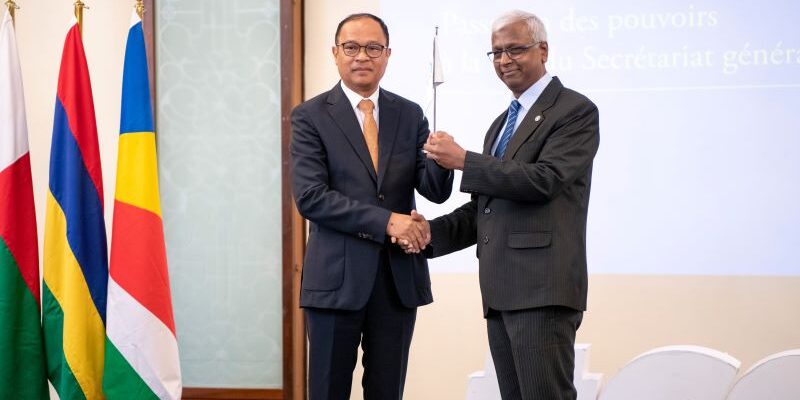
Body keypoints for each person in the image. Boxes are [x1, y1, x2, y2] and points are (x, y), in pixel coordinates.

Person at [419, 9, 600, 400]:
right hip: (501, 292)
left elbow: (544, 180)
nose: (504, 60)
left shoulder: (574, 111)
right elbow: (485, 209)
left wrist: (464, 161)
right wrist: (426, 234)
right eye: (497, 52)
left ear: (543, 50)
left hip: (542, 292)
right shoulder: (501, 123)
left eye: (515, 49)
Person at [290, 13, 453, 400]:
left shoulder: (410, 113)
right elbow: (311, 197)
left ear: (387, 55)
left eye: (373, 48)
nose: (362, 56)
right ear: (335, 53)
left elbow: (433, 191)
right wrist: (388, 222)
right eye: (351, 47)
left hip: (397, 282)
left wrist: (443, 159)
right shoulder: (310, 116)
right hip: (335, 281)